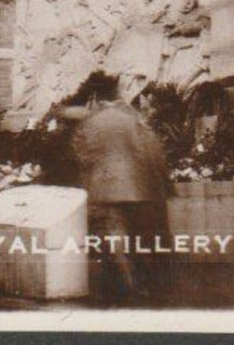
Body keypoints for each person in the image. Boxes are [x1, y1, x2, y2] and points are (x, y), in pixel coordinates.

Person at [71, 71, 172, 306]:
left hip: (104, 191)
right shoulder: (132, 119)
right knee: (137, 242)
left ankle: (127, 289)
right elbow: (151, 150)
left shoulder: (90, 122)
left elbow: (81, 155)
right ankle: (141, 288)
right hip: (137, 190)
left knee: (114, 244)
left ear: (97, 97)